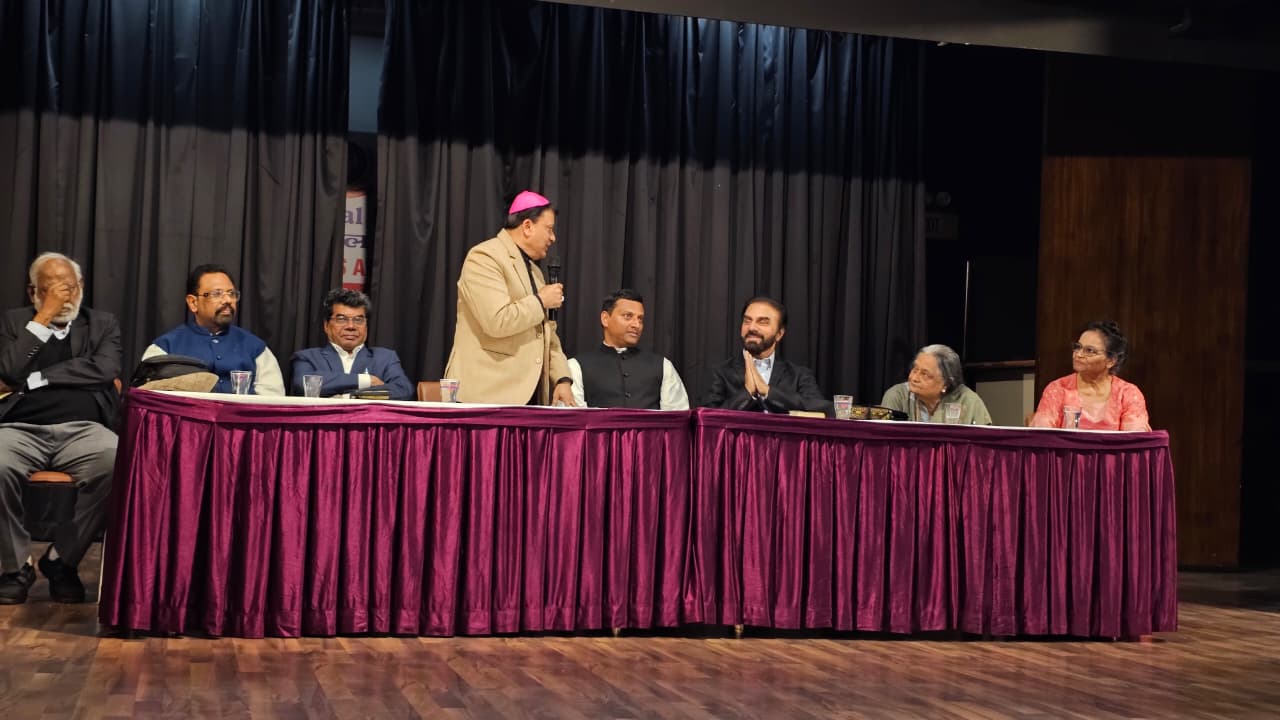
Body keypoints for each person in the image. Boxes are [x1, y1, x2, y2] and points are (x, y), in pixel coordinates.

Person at [0, 252, 120, 604]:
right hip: (19, 427)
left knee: (117, 461)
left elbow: (105, 369)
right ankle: (16, 566)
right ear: (33, 292)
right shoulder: (14, 322)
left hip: (84, 429)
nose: (63, 296)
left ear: (80, 287)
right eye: (51, 289)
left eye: (69, 287)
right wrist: (43, 317)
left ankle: (62, 559)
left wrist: (39, 378)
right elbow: (8, 370)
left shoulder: (100, 324)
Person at [444, 190, 576, 406]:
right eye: (549, 229)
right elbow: (496, 320)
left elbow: (546, 334)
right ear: (527, 226)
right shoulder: (485, 257)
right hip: (486, 395)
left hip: (530, 397)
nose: (553, 238)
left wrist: (562, 378)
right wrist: (540, 301)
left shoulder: (535, 272)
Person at [143, 264, 285, 396]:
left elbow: (272, 400)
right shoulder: (164, 348)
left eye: (231, 293)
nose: (228, 300)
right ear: (193, 302)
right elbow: (148, 399)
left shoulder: (256, 348)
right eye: (217, 294)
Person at [702, 296, 829, 414]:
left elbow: (824, 411)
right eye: (747, 321)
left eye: (762, 322)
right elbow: (706, 417)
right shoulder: (720, 372)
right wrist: (747, 393)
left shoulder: (799, 376)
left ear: (779, 334)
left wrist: (768, 392)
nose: (752, 327)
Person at [567, 289, 690, 410]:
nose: (636, 325)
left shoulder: (663, 366)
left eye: (640, 319)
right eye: (628, 316)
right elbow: (573, 418)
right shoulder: (576, 366)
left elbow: (677, 417)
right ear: (605, 319)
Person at [290, 288, 413, 400]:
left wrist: (352, 396)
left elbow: (403, 390)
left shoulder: (385, 358)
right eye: (341, 319)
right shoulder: (307, 357)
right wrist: (366, 380)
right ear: (326, 326)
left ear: (366, 326)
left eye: (358, 320)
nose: (351, 326)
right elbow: (304, 384)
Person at [1031, 320, 1150, 431]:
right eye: (1078, 347)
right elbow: (1042, 436)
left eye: (1089, 351)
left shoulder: (1128, 393)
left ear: (1111, 360)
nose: (1078, 354)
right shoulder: (1058, 389)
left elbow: (1134, 439)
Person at [880, 344, 993, 424]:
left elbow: (984, 444)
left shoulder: (968, 400)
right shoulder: (897, 396)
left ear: (946, 383)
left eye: (924, 374)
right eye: (915, 369)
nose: (913, 378)